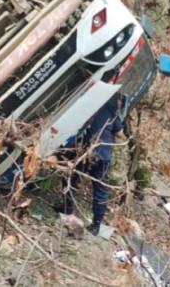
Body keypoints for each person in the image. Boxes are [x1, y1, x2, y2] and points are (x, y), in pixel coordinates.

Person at [61, 94, 124, 235]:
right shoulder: (111, 110)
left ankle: (68, 209)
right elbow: (120, 133)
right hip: (103, 155)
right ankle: (96, 225)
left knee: (70, 176)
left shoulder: (90, 105)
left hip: (85, 152)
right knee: (100, 189)